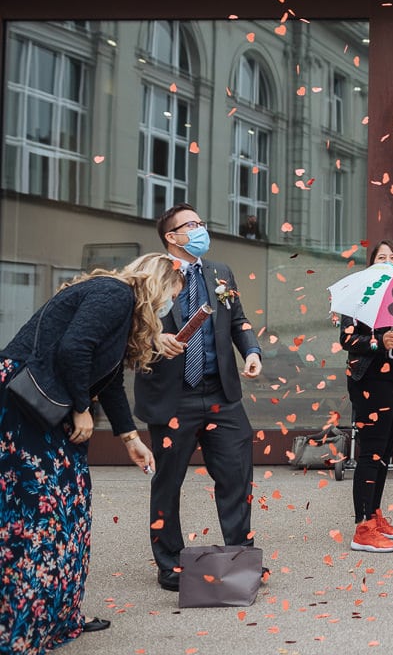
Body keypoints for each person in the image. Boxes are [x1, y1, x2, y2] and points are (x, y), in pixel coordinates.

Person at [0, 253, 176, 650]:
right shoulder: (114, 293)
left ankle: (59, 615)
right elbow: (73, 348)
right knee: (38, 510)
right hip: (29, 403)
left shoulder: (122, 310)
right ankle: (24, 624)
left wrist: (131, 439)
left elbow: (109, 381)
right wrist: (82, 409)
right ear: (159, 284)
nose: (169, 307)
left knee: (69, 506)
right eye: (172, 295)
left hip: (52, 404)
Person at [134, 203, 264, 592]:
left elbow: (238, 319)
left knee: (236, 476)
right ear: (171, 236)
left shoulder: (219, 272)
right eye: (191, 225)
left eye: (202, 223)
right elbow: (132, 327)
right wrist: (155, 339)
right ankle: (169, 563)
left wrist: (252, 350)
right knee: (168, 481)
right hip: (172, 396)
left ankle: (240, 557)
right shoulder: (149, 275)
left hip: (221, 393)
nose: (200, 229)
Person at [340, 240, 393, 553]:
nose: (388, 261)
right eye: (381, 257)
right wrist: (377, 341)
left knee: (387, 450)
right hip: (373, 381)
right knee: (371, 450)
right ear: (372, 264)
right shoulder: (359, 296)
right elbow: (348, 339)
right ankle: (362, 529)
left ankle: (375, 515)